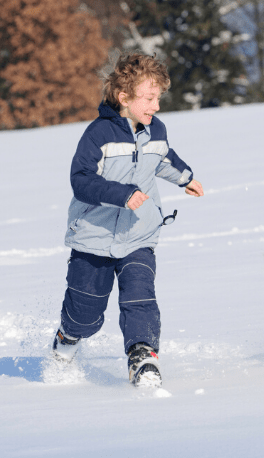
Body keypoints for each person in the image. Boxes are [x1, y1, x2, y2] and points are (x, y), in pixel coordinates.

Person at [51, 53, 204, 387]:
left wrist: (185, 178)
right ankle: (68, 335)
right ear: (124, 97)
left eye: (158, 98)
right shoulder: (98, 134)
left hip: (139, 233)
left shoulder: (156, 129)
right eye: (149, 98)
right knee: (86, 311)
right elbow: (81, 180)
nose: (156, 106)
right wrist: (120, 194)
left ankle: (143, 357)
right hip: (94, 237)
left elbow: (163, 158)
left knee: (140, 296)